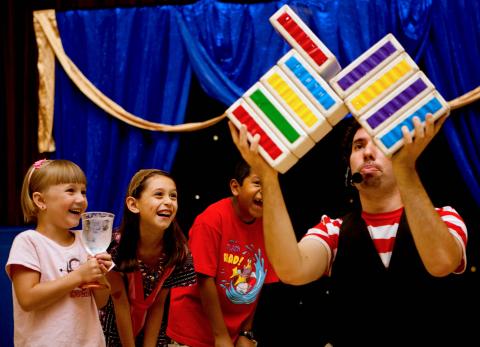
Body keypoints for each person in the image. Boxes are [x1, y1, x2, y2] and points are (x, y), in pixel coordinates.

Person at [228, 114, 468, 346]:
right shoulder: (333, 231)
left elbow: (442, 263)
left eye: (382, 144)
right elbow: (292, 271)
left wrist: (406, 168)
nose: (367, 152)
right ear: (349, 166)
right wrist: (268, 177)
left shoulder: (445, 217)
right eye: (358, 146)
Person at [167, 159, 279, 347]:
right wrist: (220, 336)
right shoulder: (211, 220)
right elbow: (204, 279)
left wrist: (246, 332)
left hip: (234, 334)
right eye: (258, 183)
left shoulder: (270, 228)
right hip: (193, 331)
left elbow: (258, 283)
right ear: (236, 187)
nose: (265, 191)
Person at [5, 159, 112, 346]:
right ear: (40, 200)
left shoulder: (86, 240)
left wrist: (99, 275)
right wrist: (79, 276)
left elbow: (102, 301)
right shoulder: (29, 241)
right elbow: (28, 299)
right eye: (71, 190)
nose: (81, 199)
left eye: (83, 191)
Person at [100, 169, 196, 347]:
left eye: (173, 196)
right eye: (159, 195)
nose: (168, 201)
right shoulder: (114, 247)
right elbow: (119, 300)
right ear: (133, 204)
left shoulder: (178, 251)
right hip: (112, 331)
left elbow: (158, 304)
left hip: (151, 331)